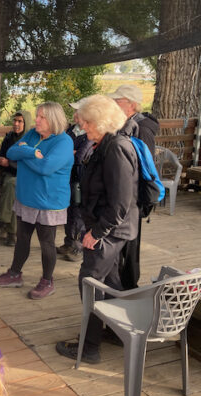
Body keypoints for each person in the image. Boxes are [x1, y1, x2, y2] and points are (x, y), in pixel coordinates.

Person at [55, 95, 139, 364]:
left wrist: (96, 233)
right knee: (111, 282)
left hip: (110, 231)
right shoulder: (104, 144)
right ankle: (118, 331)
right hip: (110, 228)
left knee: (89, 282)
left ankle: (90, 348)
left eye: (88, 122)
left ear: (102, 122)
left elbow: (121, 203)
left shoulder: (116, 148)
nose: (83, 126)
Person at [0, 102, 73, 300]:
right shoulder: (33, 134)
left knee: (47, 243)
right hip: (27, 197)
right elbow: (10, 153)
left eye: (41, 117)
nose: (36, 120)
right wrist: (31, 153)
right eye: (37, 116)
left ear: (53, 119)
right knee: (22, 238)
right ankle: (14, 274)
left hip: (48, 201)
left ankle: (47, 281)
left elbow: (46, 167)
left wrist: (24, 156)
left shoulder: (63, 141)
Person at [108, 84, 160, 290]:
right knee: (122, 243)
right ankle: (118, 283)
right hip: (123, 196)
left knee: (130, 247)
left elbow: (147, 168)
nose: (113, 103)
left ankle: (130, 287)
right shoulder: (124, 124)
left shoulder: (142, 129)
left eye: (117, 101)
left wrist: (141, 200)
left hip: (134, 198)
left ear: (131, 104)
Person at [56, 100, 94, 262]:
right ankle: (69, 242)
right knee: (68, 211)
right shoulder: (71, 130)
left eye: (78, 111)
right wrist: (69, 152)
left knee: (78, 213)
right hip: (67, 176)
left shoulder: (90, 133)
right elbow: (61, 149)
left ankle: (78, 247)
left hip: (80, 178)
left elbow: (81, 157)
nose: (74, 114)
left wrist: (71, 152)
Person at [0, 110, 32, 247]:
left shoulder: (31, 139)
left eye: (20, 121)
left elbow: (30, 163)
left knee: (12, 186)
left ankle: (1, 223)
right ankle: (12, 234)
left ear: (26, 123)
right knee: (11, 187)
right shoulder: (9, 137)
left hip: (26, 176)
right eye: (15, 120)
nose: (16, 124)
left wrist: (9, 163)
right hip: (9, 174)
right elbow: (1, 154)